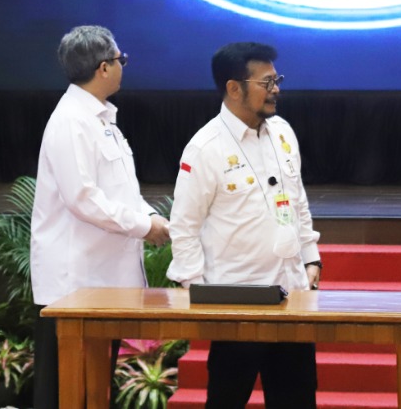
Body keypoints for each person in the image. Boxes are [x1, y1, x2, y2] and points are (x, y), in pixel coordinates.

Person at [167, 42, 322, 409]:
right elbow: (184, 227)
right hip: (236, 305)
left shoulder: (282, 132)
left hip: (291, 296)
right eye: (266, 83)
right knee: (227, 400)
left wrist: (310, 257)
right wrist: (198, 292)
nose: (276, 90)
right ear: (234, 88)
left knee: (297, 401)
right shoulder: (205, 147)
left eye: (277, 80)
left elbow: (297, 201)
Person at [29, 25, 170, 408]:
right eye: (121, 60)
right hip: (74, 285)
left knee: (94, 391)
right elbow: (83, 199)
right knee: (66, 392)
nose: (124, 66)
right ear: (104, 67)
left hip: (102, 282)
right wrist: (145, 227)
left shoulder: (101, 119)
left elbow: (121, 191)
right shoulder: (71, 120)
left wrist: (152, 217)